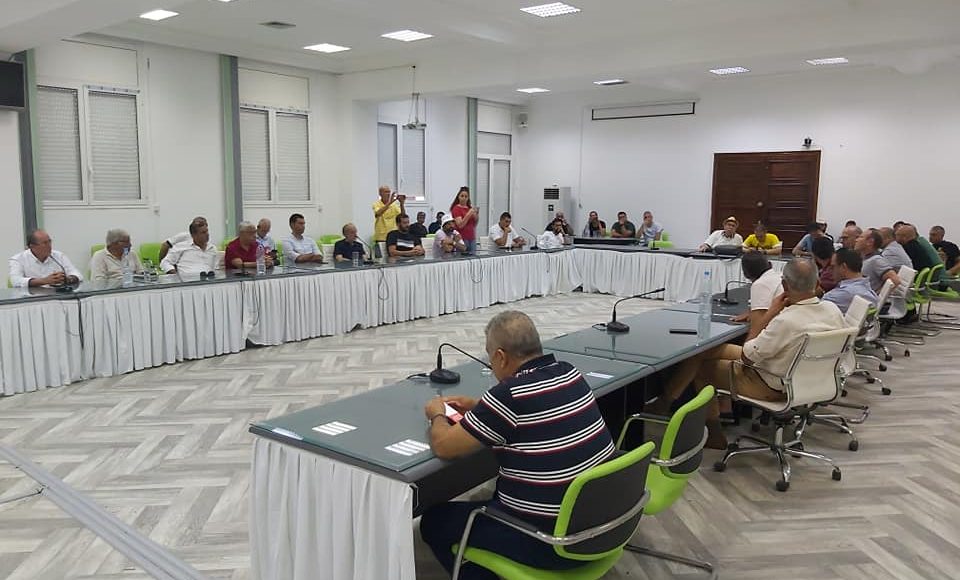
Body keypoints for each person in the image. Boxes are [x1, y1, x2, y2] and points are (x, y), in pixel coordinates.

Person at [420, 311, 615, 578]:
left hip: (552, 542)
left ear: (501, 356)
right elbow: (537, 410)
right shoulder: (569, 372)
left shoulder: (509, 395)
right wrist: (481, 408)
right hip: (603, 526)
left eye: (490, 357)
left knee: (435, 521)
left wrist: (437, 414)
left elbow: (444, 446)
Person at [649, 259, 845, 449]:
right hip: (810, 379)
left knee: (703, 369)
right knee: (703, 351)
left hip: (770, 383)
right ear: (817, 283)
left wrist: (771, 312)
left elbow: (748, 355)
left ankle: (713, 433)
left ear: (785, 285)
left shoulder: (787, 321)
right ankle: (666, 401)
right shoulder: (833, 310)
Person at [9, 229, 83, 288]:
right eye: (45, 243)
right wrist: (44, 281)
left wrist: (68, 279)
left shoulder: (59, 256)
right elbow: (15, 281)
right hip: (33, 299)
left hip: (57, 297)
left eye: (49, 241)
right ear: (32, 246)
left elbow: (78, 275)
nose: (49, 246)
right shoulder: (18, 259)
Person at [731, 252, 783, 329]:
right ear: (770, 264)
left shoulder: (760, 284)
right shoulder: (779, 275)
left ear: (745, 273)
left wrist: (755, 316)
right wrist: (753, 312)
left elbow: (758, 326)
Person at [823, 248, 879, 313]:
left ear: (843, 267)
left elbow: (816, 309)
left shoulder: (844, 294)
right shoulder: (865, 288)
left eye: (833, 267)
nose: (830, 271)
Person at [450, 187, 479, 254]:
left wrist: (476, 215)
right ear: (458, 197)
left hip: (472, 238)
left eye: (466, 196)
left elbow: (474, 224)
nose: (464, 198)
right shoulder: (456, 209)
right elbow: (460, 225)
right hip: (462, 238)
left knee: (473, 257)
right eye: (462, 196)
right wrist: (468, 214)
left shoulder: (469, 208)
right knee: (462, 258)